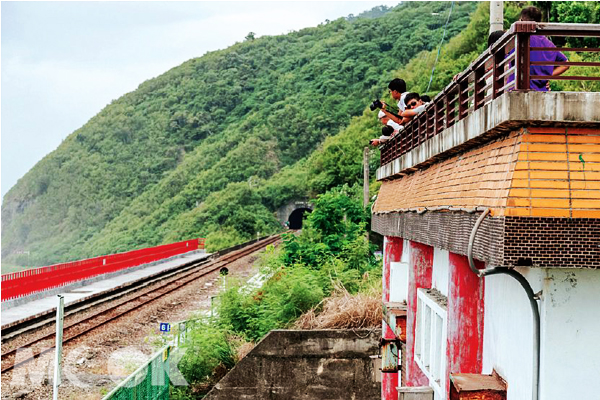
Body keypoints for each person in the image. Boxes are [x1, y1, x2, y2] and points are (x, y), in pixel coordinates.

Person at [511, 6, 569, 91]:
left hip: (518, 91)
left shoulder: (518, 41)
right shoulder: (548, 44)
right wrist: (547, 76)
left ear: (521, 21)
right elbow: (566, 64)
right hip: (541, 91)